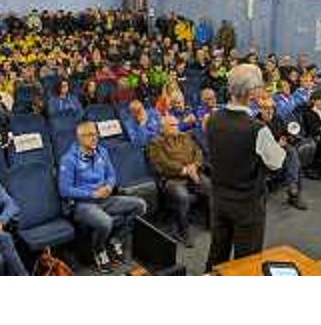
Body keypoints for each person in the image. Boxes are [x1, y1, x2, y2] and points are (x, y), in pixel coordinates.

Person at [205, 65, 287, 272]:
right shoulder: (257, 129)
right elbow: (277, 162)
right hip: (247, 204)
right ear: (252, 92)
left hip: (219, 197)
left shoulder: (212, 118)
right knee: (247, 261)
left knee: (217, 253)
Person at [58, 121, 146, 273]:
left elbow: (111, 175)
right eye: (89, 135)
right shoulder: (69, 159)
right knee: (105, 222)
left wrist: (109, 186)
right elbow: (64, 190)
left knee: (140, 205)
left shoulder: (102, 152)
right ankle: (98, 249)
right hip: (83, 205)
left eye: (95, 134)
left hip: (105, 199)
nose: (94, 138)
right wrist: (91, 194)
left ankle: (116, 239)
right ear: (80, 138)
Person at [148, 115, 211, 247]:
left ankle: (211, 223)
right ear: (163, 128)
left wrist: (195, 165)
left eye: (176, 124)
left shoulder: (186, 136)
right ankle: (183, 231)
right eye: (172, 125)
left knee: (210, 188)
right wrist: (184, 170)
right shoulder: (156, 143)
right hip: (172, 179)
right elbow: (161, 164)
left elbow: (198, 152)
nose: (176, 127)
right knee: (182, 197)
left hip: (193, 173)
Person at [256, 97, 306, 210]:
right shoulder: (256, 123)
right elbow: (259, 145)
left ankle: (293, 191)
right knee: (292, 154)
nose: (269, 111)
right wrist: (276, 145)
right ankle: (293, 191)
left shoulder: (277, 118)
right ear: (260, 109)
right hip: (265, 153)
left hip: (280, 149)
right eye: (266, 108)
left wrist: (287, 138)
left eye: (272, 108)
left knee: (293, 155)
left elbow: (285, 132)